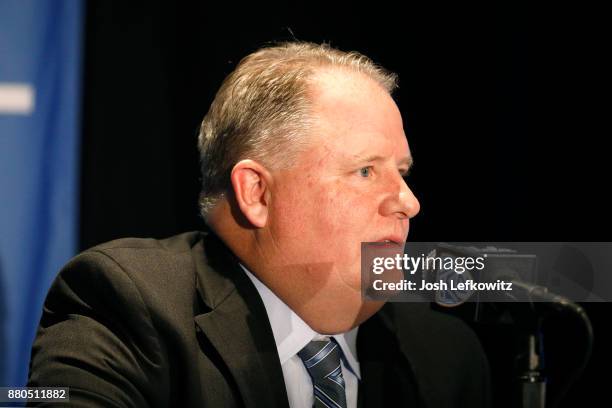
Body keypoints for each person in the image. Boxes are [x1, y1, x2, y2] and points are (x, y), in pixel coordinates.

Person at [28, 42, 490, 407]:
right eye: (365, 171)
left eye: (403, 173)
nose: (409, 203)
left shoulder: (444, 353)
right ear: (257, 193)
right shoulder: (129, 304)